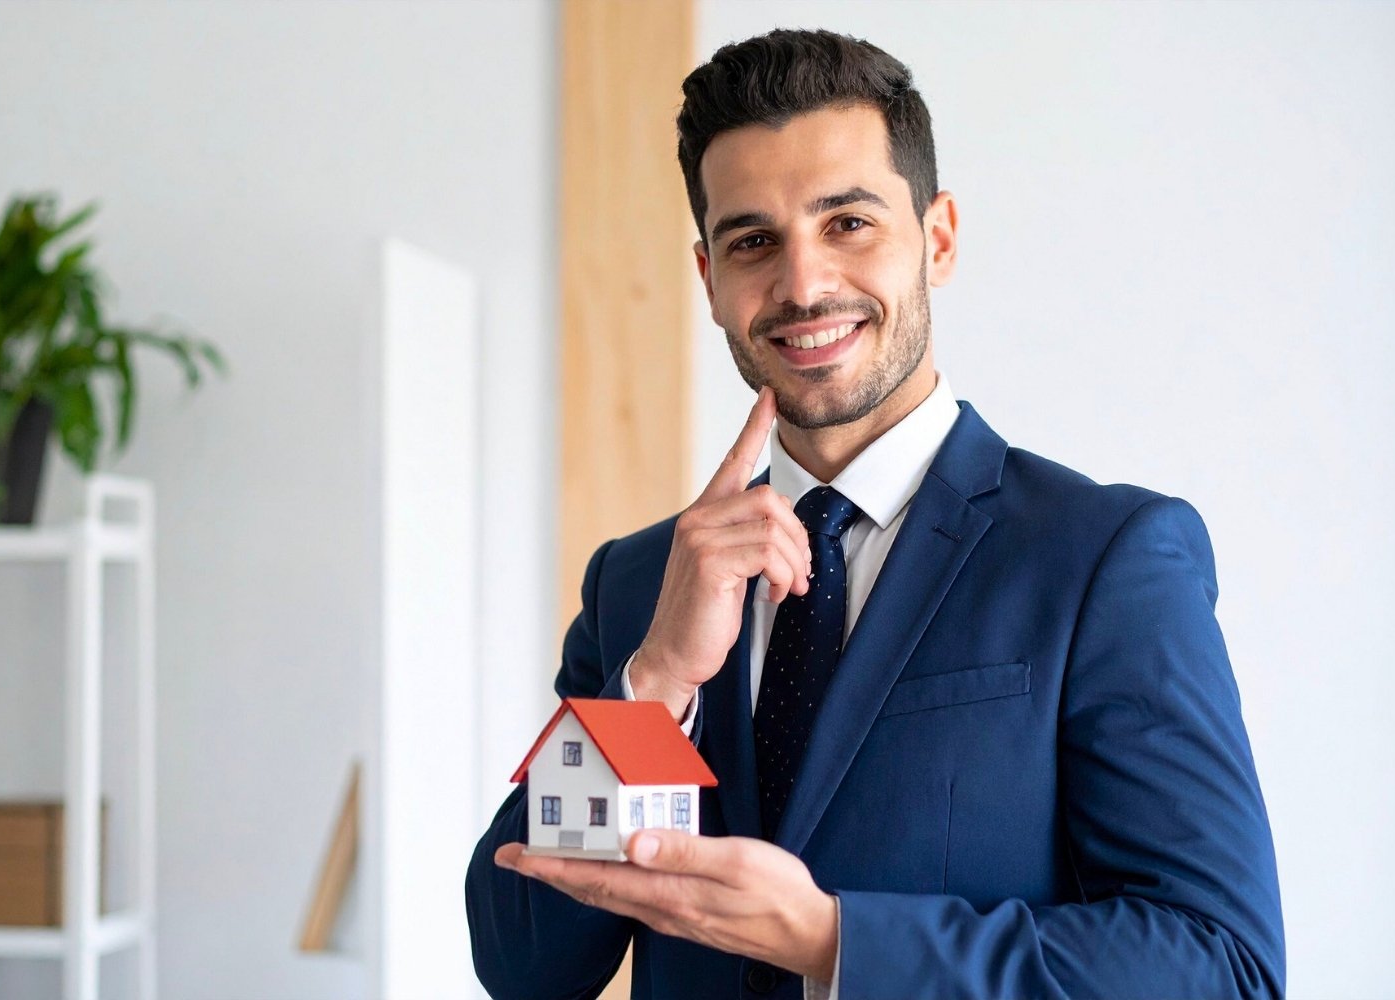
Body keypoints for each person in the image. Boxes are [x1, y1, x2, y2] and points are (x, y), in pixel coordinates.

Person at [466, 28, 1283, 1000]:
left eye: (847, 223)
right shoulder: (640, 584)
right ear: (709, 282)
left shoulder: (1104, 558)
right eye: (753, 241)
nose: (804, 284)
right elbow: (522, 961)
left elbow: (1220, 964)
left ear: (937, 238)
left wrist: (833, 941)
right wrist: (650, 689)